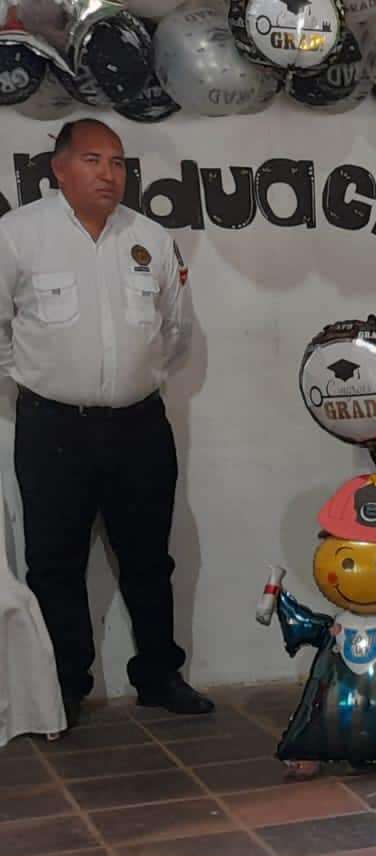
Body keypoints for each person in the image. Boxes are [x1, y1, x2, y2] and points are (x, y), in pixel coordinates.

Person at [0, 119, 209, 729]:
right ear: (59, 168)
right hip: (51, 429)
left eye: (117, 162)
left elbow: (175, 332)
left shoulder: (149, 236)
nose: (108, 174)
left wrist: (129, 383)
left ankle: (160, 676)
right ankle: (63, 685)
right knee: (53, 561)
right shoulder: (17, 235)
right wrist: (38, 380)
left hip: (139, 426)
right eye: (92, 160)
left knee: (149, 557)